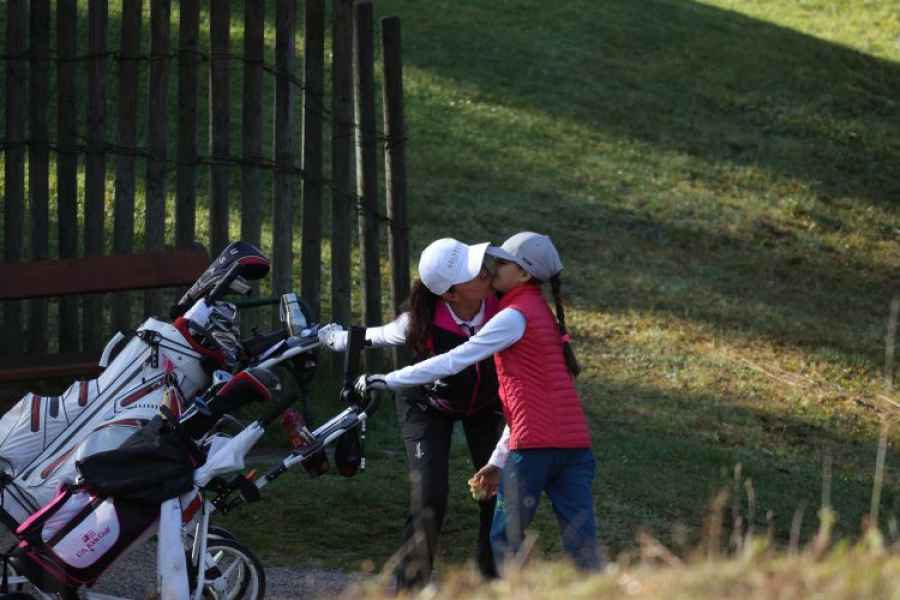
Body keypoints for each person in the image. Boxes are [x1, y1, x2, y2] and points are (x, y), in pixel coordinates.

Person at [356, 232, 602, 573]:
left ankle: (496, 591)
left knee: (505, 537)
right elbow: (525, 404)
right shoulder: (541, 313)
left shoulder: (512, 316)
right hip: (573, 445)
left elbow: (455, 360)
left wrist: (387, 380)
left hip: (532, 448)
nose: (491, 268)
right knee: (581, 539)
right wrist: (498, 459)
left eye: (501, 263)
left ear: (524, 274)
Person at [318, 238, 505, 589]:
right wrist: (332, 339)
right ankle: (409, 589)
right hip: (425, 407)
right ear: (450, 294)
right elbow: (374, 337)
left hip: (484, 406)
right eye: (471, 272)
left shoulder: (503, 307)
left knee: (497, 492)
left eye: (478, 264)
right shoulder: (418, 321)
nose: (484, 271)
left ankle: (493, 583)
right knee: (429, 498)